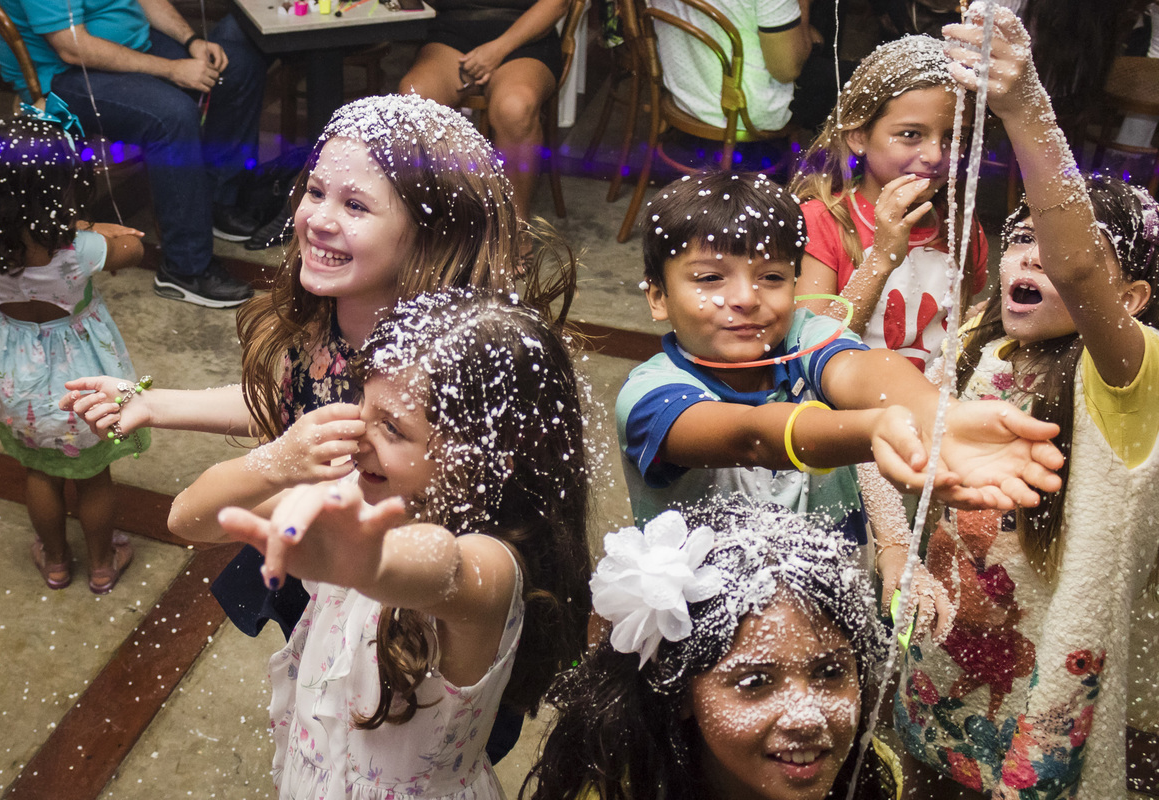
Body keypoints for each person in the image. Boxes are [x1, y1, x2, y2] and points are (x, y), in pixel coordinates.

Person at [62, 93, 574, 636]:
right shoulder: (328, 317)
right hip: (321, 581)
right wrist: (155, 403)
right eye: (315, 191)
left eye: (355, 206)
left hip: (413, 607)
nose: (319, 219)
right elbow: (294, 400)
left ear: (432, 233)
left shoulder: (436, 362)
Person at [893, 7, 1159, 797]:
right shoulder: (981, 337)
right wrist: (887, 555)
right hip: (945, 640)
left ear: (1134, 297)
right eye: (1018, 238)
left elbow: (1079, 274)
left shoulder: (1129, 377)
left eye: (1060, 244)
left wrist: (1024, 107)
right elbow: (901, 431)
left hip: (1042, 664)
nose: (1033, 257)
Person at [211, 290, 593, 799]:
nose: (356, 435)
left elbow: (447, 569)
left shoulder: (495, 567)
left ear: (490, 457)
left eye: (391, 426)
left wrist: (370, 564)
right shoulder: (355, 493)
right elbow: (189, 516)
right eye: (359, 401)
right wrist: (277, 459)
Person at [619, 170, 1064, 538]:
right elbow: (752, 438)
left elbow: (867, 368)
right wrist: (876, 428)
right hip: (704, 618)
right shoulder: (649, 397)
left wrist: (938, 415)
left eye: (771, 277)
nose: (745, 298)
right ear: (658, 297)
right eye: (710, 279)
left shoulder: (803, 336)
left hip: (834, 594)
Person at [525, 499, 899, 800]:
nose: (807, 717)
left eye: (830, 672)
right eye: (755, 681)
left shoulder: (873, 775)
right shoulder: (615, 792)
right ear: (678, 690)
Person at [0, 113, 147, 594]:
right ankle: (103, 563)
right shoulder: (80, 250)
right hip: (81, 384)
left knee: (40, 474)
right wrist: (88, 225)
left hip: (19, 384)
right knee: (93, 477)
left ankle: (55, 562)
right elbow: (134, 247)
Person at [0, 0, 265, 308]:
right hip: (62, 74)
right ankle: (185, 269)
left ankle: (218, 201)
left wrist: (193, 41)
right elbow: (72, 47)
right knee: (172, 116)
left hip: (131, 44)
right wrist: (172, 69)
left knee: (238, 67)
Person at [791, 34, 987, 373]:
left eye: (955, 138)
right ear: (858, 136)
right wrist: (881, 259)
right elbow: (811, 352)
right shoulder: (821, 222)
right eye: (911, 134)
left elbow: (947, 330)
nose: (935, 156)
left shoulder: (961, 227)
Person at [397, 0, 569, 222]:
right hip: (453, 33)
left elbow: (557, 4)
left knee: (514, 108)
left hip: (526, 37)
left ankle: (516, 230)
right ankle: (437, 226)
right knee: (414, 99)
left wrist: (497, 50)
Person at [649, 0, 813, 136]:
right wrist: (802, 8)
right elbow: (786, 71)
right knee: (835, 82)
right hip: (742, 111)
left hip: (683, 91)